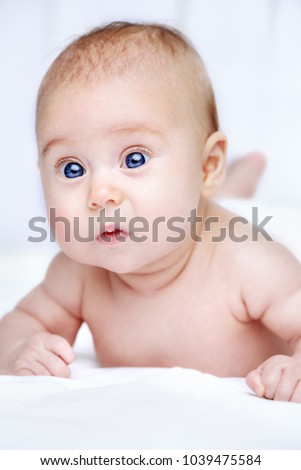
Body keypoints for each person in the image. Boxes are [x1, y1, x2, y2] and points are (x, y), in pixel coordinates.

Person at [0, 22, 300, 403]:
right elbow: (22, 322)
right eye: (72, 168)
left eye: (134, 158)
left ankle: (237, 184)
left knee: (241, 207)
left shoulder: (250, 263)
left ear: (206, 164)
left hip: (241, 219)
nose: (100, 194)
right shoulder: (78, 274)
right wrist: (18, 350)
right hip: (190, 206)